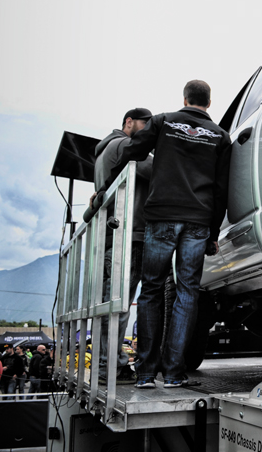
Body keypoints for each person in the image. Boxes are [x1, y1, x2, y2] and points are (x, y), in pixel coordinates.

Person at [110, 80, 231, 389]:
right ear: (208, 102)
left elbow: (134, 149)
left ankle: (147, 373)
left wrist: (109, 180)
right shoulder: (220, 136)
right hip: (198, 221)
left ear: (185, 98)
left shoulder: (163, 121)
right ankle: (175, 373)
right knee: (187, 292)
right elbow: (221, 189)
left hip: (161, 215)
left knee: (151, 289)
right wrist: (213, 232)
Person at [92, 107, 158, 384]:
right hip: (127, 234)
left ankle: (107, 364)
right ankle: (111, 366)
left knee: (114, 303)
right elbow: (158, 170)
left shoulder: (107, 149)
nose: (148, 133)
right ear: (129, 122)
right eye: (145, 126)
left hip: (114, 234)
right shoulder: (122, 145)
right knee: (119, 305)